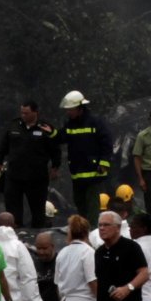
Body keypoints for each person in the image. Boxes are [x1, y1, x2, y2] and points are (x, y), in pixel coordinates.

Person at [0, 100, 61, 228]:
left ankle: (38, 235)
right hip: (14, 175)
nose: (23, 115)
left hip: (37, 177)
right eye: (22, 113)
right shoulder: (14, 125)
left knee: (38, 210)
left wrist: (55, 167)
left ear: (35, 112)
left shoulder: (46, 128)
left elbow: (55, 149)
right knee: (13, 210)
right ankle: (15, 234)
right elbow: (3, 144)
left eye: (27, 113)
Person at [58, 90, 113, 227]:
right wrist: (51, 133)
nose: (68, 112)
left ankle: (93, 231)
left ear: (79, 108)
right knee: (80, 203)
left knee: (92, 205)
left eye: (70, 109)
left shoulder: (95, 122)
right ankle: (83, 230)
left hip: (93, 172)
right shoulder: (69, 124)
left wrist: (104, 162)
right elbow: (61, 138)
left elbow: (106, 142)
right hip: (77, 172)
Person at [54, 215, 97, 301]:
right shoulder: (89, 252)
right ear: (87, 232)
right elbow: (92, 281)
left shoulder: (62, 253)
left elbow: (58, 284)